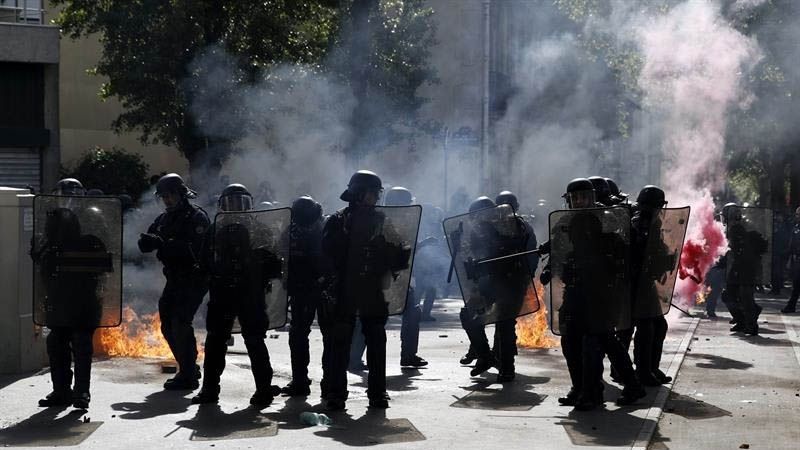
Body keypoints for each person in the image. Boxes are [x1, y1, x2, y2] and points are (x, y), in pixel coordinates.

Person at [540, 178, 644, 410]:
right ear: (569, 200)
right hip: (575, 290)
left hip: (600, 292)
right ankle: (580, 388)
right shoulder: (565, 221)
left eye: (585, 196)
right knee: (570, 341)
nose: (580, 201)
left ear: (593, 196)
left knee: (599, 341)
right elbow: (561, 250)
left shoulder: (608, 219)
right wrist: (550, 268)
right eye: (576, 197)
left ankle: (597, 392)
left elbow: (623, 251)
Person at [321, 170, 413, 410]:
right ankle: (336, 393)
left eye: (376, 193)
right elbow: (327, 256)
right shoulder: (338, 221)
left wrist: (394, 251)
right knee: (340, 342)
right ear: (358, 194)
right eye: (372, 193)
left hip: (373, 288)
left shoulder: (383, 221)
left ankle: (377, 393)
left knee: (376, 341)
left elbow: (399, 255)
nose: (375, 198)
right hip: (345, 288)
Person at [191, 184, 284, 406]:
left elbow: (274, 264)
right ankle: (210, 390)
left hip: (249, 294)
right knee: (215, 344)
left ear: (250, 205)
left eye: (241, 203)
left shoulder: (259, 230)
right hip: (223, 294)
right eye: (231, 203)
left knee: (254, 342)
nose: (237, 208)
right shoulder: (214, 230)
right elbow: (204, 263)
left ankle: (263, 389)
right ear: (222, 206)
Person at [32, 179, 113, 409]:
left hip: (84, 294)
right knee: (56, 342)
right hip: (59, 293)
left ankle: (82, 392)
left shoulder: (94, 218)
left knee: (81, 343)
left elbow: (104, 255)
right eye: (64, 195)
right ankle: (61, 391)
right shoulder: (52, 219)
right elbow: (42, 255)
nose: (68, 200)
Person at [138, 173, 209, 390]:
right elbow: (150, 240)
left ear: (180, 194)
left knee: (180, 322)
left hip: (194, 278)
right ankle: (188, 366)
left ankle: (188, 376)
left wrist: (164, 244)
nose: (167, 200)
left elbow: (195, 251)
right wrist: (147, 242)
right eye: (163, 197)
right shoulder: (164, 219)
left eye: (170, 196)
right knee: (167, 325)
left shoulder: (196, 217)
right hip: (174, 279)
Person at [282, 195, 328, 396]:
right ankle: (302, 381)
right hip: (303, 289)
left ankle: (326, 382)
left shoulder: (326, 228)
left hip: (322, 288)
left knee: (327, 335)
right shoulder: (293, 232)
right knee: (300, 335)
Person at [384, 187, 429, 368]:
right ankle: (354, 358)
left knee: (412, 312)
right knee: (372, 319)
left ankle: (409, 355)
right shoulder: (385, 221)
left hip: (400, 277)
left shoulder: (400, 220)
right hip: (384, 278)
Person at [722, 204, 768, 335]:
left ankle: (751, 325)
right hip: (739, 266)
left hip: (746, 268)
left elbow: (740, 250)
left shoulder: (737, 229)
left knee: (745, 297)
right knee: (729, 295)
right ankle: (741, 320)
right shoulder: (735, 229)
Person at [781, 206, 800, 313]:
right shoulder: (796, 227)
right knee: (796, 284)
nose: (797, 216)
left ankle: (791, 305)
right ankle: (791, 305)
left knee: (797, 284)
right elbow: (792, 244)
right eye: (797, 214)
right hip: (796, 259)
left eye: (798, 214)